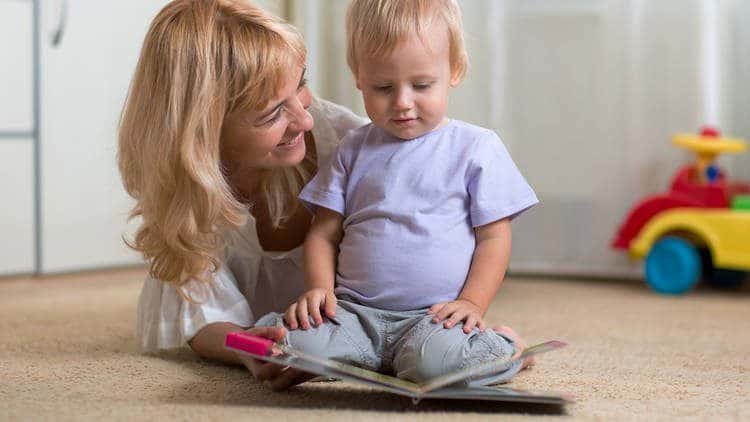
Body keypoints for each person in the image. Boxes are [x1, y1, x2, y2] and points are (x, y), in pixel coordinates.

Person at [254, 0, 538, 386]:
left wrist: (472, 302)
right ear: (359, 78)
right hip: (355, 314)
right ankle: (339, 355)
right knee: (290, 344)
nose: (403, 102)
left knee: (433, 366)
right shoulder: (352, 149)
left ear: (454, 70)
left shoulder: (476, 148)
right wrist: (319, 289)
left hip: (434, 317)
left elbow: (494, 236)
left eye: (421, 85)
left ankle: (505, 347)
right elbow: (322, 233)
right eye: (383, 87)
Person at [118, 0, 368, 390]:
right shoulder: (189, 192)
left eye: (301, 82)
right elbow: (200, 316)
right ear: (205, 131)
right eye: (272, 115)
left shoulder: (353, 146)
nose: (304, 118)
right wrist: (244, 345)